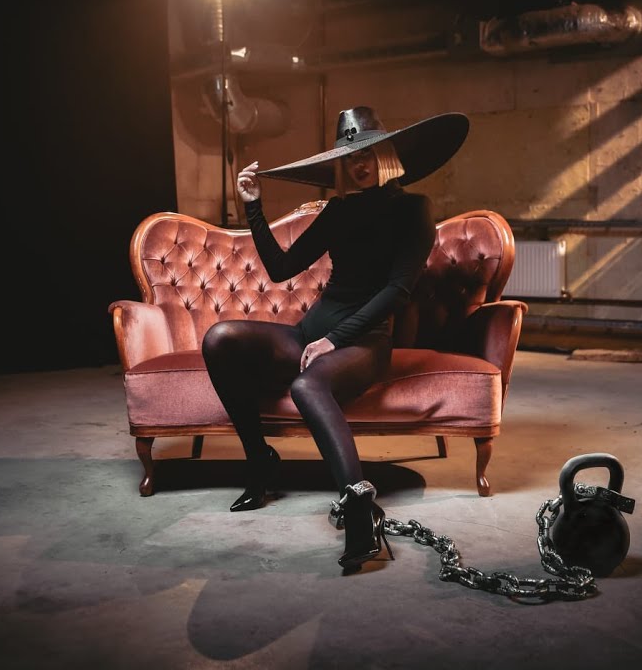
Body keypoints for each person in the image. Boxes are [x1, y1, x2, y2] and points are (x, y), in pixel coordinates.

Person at [200, 105, 469, 573]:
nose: (359, 164)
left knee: (307, 385)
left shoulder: (413, 209)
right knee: (219, 338)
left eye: (367, 153)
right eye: (350, 157)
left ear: (385, 154)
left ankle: (360, 506)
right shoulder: (339, 210)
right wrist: (253, 206)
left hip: (365, 341)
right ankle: (260, 460)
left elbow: (397, 290)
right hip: (311, 332)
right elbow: (282, 268)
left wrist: (334, 340)